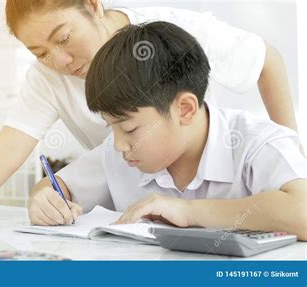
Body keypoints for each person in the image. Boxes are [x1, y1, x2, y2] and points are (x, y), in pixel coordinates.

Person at [0, 0, 299, 234]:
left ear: (92, 6)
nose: (58, 60)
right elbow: (13, 147)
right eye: (39, 53)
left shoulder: (166, 34)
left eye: (63, 38)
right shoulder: (113, 152)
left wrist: (291, 155)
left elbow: (267, 61)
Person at [27, 21, 306, 240]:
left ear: (184, 109)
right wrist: (44, 199)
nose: (118, 144)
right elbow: (57, 186)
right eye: (111, 127)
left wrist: (189, 212)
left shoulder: (258, 143)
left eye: (129, 128)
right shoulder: (121, 155)